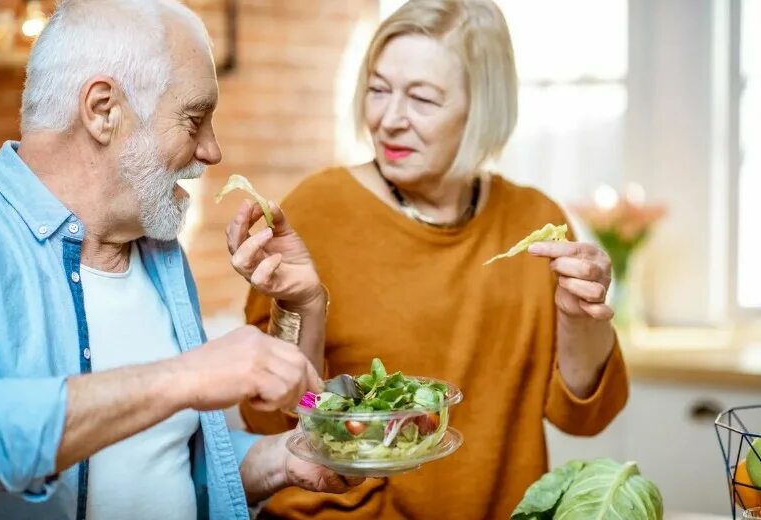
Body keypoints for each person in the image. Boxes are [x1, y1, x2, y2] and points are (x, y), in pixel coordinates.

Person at [0, 1, 361, 519]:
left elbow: (166, 468)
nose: (213, 151)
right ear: (103, 110)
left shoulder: (158, 257)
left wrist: (284, 460)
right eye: (195, 119)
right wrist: (186, 376)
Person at [230, 0, 629, 518]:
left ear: (483, 107)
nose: (389, 119)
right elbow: (276, 424)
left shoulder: (535, 221)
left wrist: (580, 317)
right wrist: (303, 310)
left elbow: (586, 419)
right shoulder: (316, 210)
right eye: (377, 89)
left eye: (422, 98)